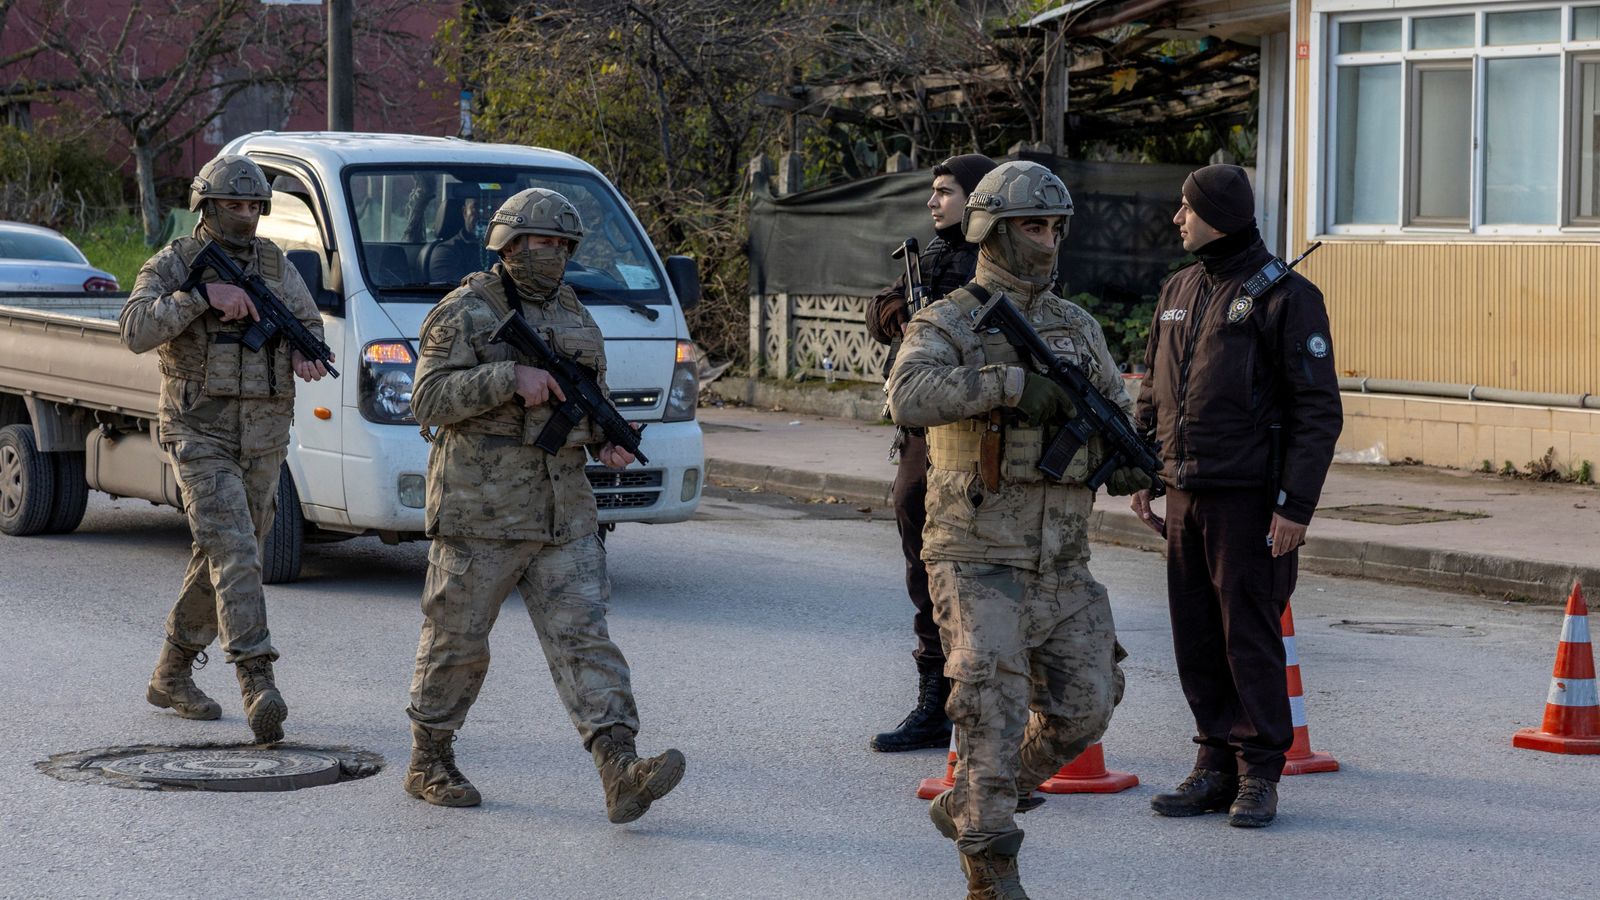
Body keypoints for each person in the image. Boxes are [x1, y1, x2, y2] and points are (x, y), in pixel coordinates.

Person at [888, 160, 1145, 900]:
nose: (1048, 240)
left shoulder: (1077, 325)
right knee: (990, 711)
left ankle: (974, 797)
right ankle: (990, 867)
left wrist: (1122, 460)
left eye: (1057, 227)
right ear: (992, 230)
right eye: (1034, 226)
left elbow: (1112, 416)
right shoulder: (951, 319)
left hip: (1062, 559)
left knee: (1088, 704)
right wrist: (1006, 385)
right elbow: (907, 394)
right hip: (975, 552)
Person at [402, 186, 685, 820]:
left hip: (563, 512)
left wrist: (601, 441)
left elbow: (583, 401)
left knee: (586, 640)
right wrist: (509, 378)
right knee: (458, 640)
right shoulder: (465, 311)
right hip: (481, 511)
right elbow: (426, 401)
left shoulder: (574, 313)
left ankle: (620, 766)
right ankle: (430, 758)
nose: (551, 255)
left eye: (562, 245)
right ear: (507, 245)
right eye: (538, 243)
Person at [1130, 164, 1343, 828]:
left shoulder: (1287, 296)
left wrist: (1295, 508)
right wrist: (1143, 468)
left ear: (1216, 212)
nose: (1177, 219)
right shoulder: (1177, 288)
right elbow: (1150, 388)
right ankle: (1213, 764)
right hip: (1184, 493)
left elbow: (1317, 411)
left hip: (1250, 503)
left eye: (1185, 208)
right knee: (1196, 638)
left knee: (1247, 637)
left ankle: (1258, 774)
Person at [120, 154, 332, 744]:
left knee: (227, 553)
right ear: (206, 207)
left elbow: (309, 324)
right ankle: (257, 680)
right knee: (235, 550)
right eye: (232, 205)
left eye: (252, 206)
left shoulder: (274, 265)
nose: (243, 216)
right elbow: (135, 327)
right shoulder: (178, 263)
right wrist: (200, 298)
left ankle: (172, 671)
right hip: (199, 430)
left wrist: (303, 350)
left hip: (263, 434)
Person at [865, 153, 997, 753]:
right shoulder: (931, 256)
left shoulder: (998, 258)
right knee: (919, 547)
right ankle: (934, 700)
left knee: (975, 567)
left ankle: (991, 701)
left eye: (944, 192)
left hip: (976, 431)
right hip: (922, 428)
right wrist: (904, 317)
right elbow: (878, 310)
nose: (933, 201)